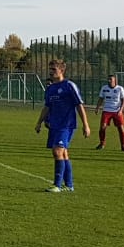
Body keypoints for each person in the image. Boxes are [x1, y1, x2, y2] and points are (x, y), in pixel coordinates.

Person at [34, 59, 89, 192]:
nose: (51, 72)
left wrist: (85, 125)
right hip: (54, 125)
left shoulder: (69, 85)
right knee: (63, 153)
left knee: (57, 151)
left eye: (54, 69)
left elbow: (79, 105)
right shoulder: (50, 88)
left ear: (62, 70)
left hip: (66, 125)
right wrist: (39, 122)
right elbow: (47, 107)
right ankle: (69, 185)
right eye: (50, 69)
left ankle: (57, 185)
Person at [94, 73, 124, 152]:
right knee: (102, 127)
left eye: (111, 80)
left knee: (121, 129)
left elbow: (123, 100)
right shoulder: (104, 88)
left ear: (115, 81)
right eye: (108, 80)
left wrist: (121, 110)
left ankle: (123, 145)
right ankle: (102, 143)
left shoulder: (120, 89)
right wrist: (97, 107)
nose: (109, 81)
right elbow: (101, 98)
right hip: (107, 111)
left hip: (117, 111)